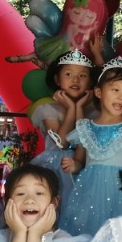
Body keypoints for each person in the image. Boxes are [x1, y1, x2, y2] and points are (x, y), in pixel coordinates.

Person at [60, 57, 122, 236]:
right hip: (89, 194)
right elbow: (80, 161)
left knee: (118, 237)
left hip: (121, 194)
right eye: (115, 89)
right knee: (88, 237)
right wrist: (73, 166)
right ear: (98, 92)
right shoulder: (85, 128)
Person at [30, 50, 95, 210]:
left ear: (90, 82)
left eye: (83, 75)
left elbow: (83, 140)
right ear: (57, 80)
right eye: (68, 74)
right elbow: (62, 143)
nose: (75, 80)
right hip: (55, 167)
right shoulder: (48, 109)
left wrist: (78, 108)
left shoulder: (95, 111)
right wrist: (71, 109)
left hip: (86, 166)